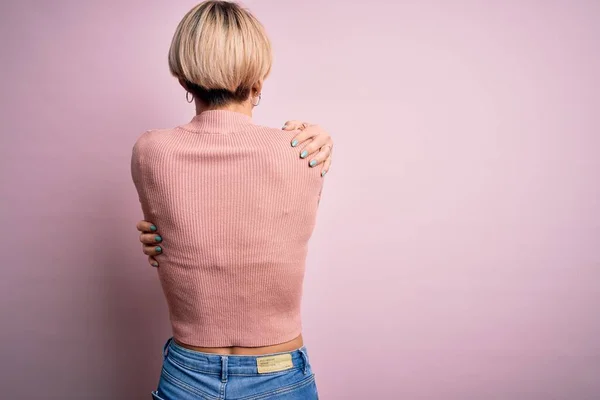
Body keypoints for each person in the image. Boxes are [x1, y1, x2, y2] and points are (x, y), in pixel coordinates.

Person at [130, 2, 331, 399]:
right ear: (258, 77)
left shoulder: (149, 151)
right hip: (280, 374)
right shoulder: (305, 150)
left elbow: (171, 234)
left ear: (185, 79)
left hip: (188, 374)